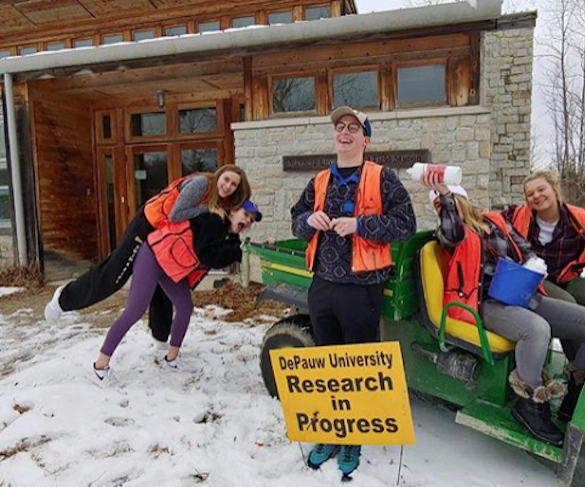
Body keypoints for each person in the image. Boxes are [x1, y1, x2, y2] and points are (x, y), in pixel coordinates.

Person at [421, 173, 585, 445]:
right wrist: (443, 197)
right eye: (440, 205)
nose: (445, 208)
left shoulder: (497, 222)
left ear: (463, 196)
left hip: (522, 294)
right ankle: (530, 404)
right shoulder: (449, 231)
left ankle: (575, 391)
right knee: (536, 329)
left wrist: (533, 262)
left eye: (450, 200)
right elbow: (452, 232)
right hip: (485, 303)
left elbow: (523, 247)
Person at [290, 106, 416, 477]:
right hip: (323, 286)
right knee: (326, 366)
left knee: (355, 370)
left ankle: (351, 441)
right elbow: (297, 221)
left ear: (366, 139)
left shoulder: (384, 178)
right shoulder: (318, 181)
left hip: (363, 289)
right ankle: (328, 434)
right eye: (340, 127)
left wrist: (360, 224)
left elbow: (405, 224)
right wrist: (307, 221)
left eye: (353, 128)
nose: (345, 133)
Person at [45, 165, 251, 344]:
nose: (228, 186)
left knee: (165, 284)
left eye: (233, 185)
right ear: (219, 175)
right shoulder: (201, 184)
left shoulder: (220, 201)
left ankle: (160, 338)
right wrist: (207, 210)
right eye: (226, 179)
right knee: (115, 275)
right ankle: (64, 299)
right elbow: (176, 214)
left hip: (165, 238)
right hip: (147, 227)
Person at [92, 200, 260, 382]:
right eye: (246, 215)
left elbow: (232, 252)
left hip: (171, 267)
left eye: (251, 220)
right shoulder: (214, 221)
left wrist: (250, 248)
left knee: (185, 307)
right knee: (135, 311)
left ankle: (171, 359)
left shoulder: (229, 234)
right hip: (154, 256)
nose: (248, 221)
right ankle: (100, 367)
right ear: (233, 211)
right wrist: (238, 252)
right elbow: (209, 256)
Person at [502, 170, 585, 323]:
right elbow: (490, 222)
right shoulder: (516, 216)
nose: (536, 196)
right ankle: (575, 347)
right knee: (567, 308)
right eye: (530, 194)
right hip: (533, 280)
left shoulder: (578, 218)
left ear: (554, 188)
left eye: (541, 189)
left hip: (569, 278)